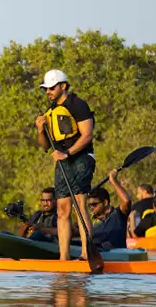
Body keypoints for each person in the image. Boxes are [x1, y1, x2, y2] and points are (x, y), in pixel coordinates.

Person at [35, 69, 96, 261]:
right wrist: (40, 131)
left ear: (63, 86)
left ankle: (87, 254)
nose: (48, 92)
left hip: (81, 158)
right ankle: (64, 257)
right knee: (62, 209)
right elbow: (45, 147)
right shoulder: (50, 111)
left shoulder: (78, 105)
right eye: (46, 89)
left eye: (51, 88)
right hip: (62, 161)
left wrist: (67, 153)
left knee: (79, 205)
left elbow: (87, 135)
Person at [86, 169, 131, 249]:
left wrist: (113, 180)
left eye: (94, 204)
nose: (91, 208)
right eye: (90, 205)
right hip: (98, 256)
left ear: (105, 202)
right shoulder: (88, 221)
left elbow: (126, 201)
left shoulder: (118, 215)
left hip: (117, 257)